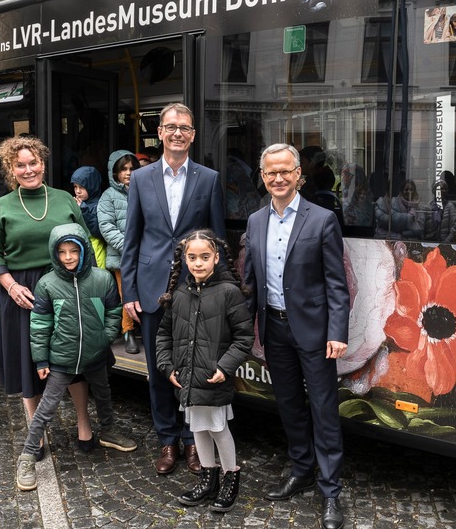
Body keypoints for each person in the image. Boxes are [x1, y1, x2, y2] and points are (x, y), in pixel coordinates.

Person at [243, 143, 350, 529]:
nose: (278, 178)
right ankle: (301, 469)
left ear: (299, 174)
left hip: (315, 332)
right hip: (274, 329)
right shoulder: (255, 221)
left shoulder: (321, 219)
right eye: (270, 172)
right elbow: (252, 284)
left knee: (323, 410)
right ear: (263, 176)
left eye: (285, 171)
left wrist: (338, 331)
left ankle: (331, 490)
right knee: (288, 405)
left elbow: (337, 285)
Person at [121, 102, 226, 475]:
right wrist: (129, 291)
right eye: (170, 126)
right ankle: (166, 440)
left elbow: (217, 240)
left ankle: (192, 442)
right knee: (158, 369)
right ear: (161, 133)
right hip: (150, 291)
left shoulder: (209, 179)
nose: (177, 132)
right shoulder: (142, 178)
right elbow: (131, 239)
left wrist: (220, 290)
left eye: (184, 127)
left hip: (195, 290)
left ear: (193, 135)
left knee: (195, 370)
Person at [0, 135, 93, 459]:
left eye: (34, 163)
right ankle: (36, 431)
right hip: (22, 292)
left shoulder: (63, 199)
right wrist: (11, 286)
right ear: (10, 169)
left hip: (64, 285)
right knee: (29, 362)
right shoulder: (0, 208)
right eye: (21, 165)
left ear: (43, 164)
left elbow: (83, 242)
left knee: (71, 359)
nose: (28, 169)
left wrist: (86, 288)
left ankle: (84, 424)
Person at [16, 223, 137, 491]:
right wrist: (42, 360)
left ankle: (107, 430)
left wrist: (105, 338)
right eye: (62, 252)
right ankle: (26, 456)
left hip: (95, 354)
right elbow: (39, 326)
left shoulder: (102, 278)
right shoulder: (47, 284)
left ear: (83, 250)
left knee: (104, 394)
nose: (69, 257)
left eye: (74, 250)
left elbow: (114, 312)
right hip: (62, 358)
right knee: (46, 408)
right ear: (54, 253)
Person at [155, 229, 253, 512]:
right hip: (187, 376)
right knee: (197, 427)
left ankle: (230, 476)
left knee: (219, 429)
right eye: (192, 257)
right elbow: (164, 334)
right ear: (184, 259)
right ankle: (208, 478)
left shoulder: (228, 293)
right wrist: (167, 366)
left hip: (213, 377)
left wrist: (225, 366)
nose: (198, 263)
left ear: (217, 258)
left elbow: (244, 338)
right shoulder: (179, 293)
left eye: (205, 257)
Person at [97, 150, 142, 354]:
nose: (128, 173)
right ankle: (128, 331)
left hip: (145, 255)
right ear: (114, 173)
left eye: (132, 168)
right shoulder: (108, 197)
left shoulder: (144, 189)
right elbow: (107, 228)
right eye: (123, 169)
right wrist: (131, 247)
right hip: (122, 257)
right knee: (127, 294)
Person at [71, 165, 107, 269]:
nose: (77, 191)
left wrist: (83, 210)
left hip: (95, 252)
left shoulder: (100, 204)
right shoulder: (79, 202)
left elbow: (97, 231)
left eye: (81, 187)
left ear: (92, 186)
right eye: (75, 187)